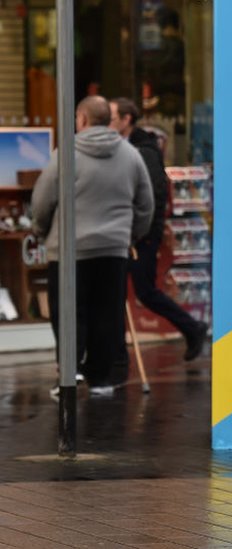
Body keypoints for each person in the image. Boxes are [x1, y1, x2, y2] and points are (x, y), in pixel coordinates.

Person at [32, 96, 154, 397]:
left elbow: (42, 200)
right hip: (113, 249)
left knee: (68, 312)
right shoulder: (130, 154)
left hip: (70, 249)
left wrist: (41, 230)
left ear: (82, 119)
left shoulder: (66, 155)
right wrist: (131, 234)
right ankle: (100, 379)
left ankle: (69, 375)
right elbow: (145, 203)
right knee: (107, 313)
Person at [110, 97, 208, 360]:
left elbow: (152, 194)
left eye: (111, 117)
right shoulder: (128, 147)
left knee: (145, 291)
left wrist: (144, 234)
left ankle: (193, 327)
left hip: (141, 236)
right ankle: (117, 354)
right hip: (132, 233)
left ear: (126, 119)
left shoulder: (144, 151)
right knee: (125, 292)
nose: (108, 123)